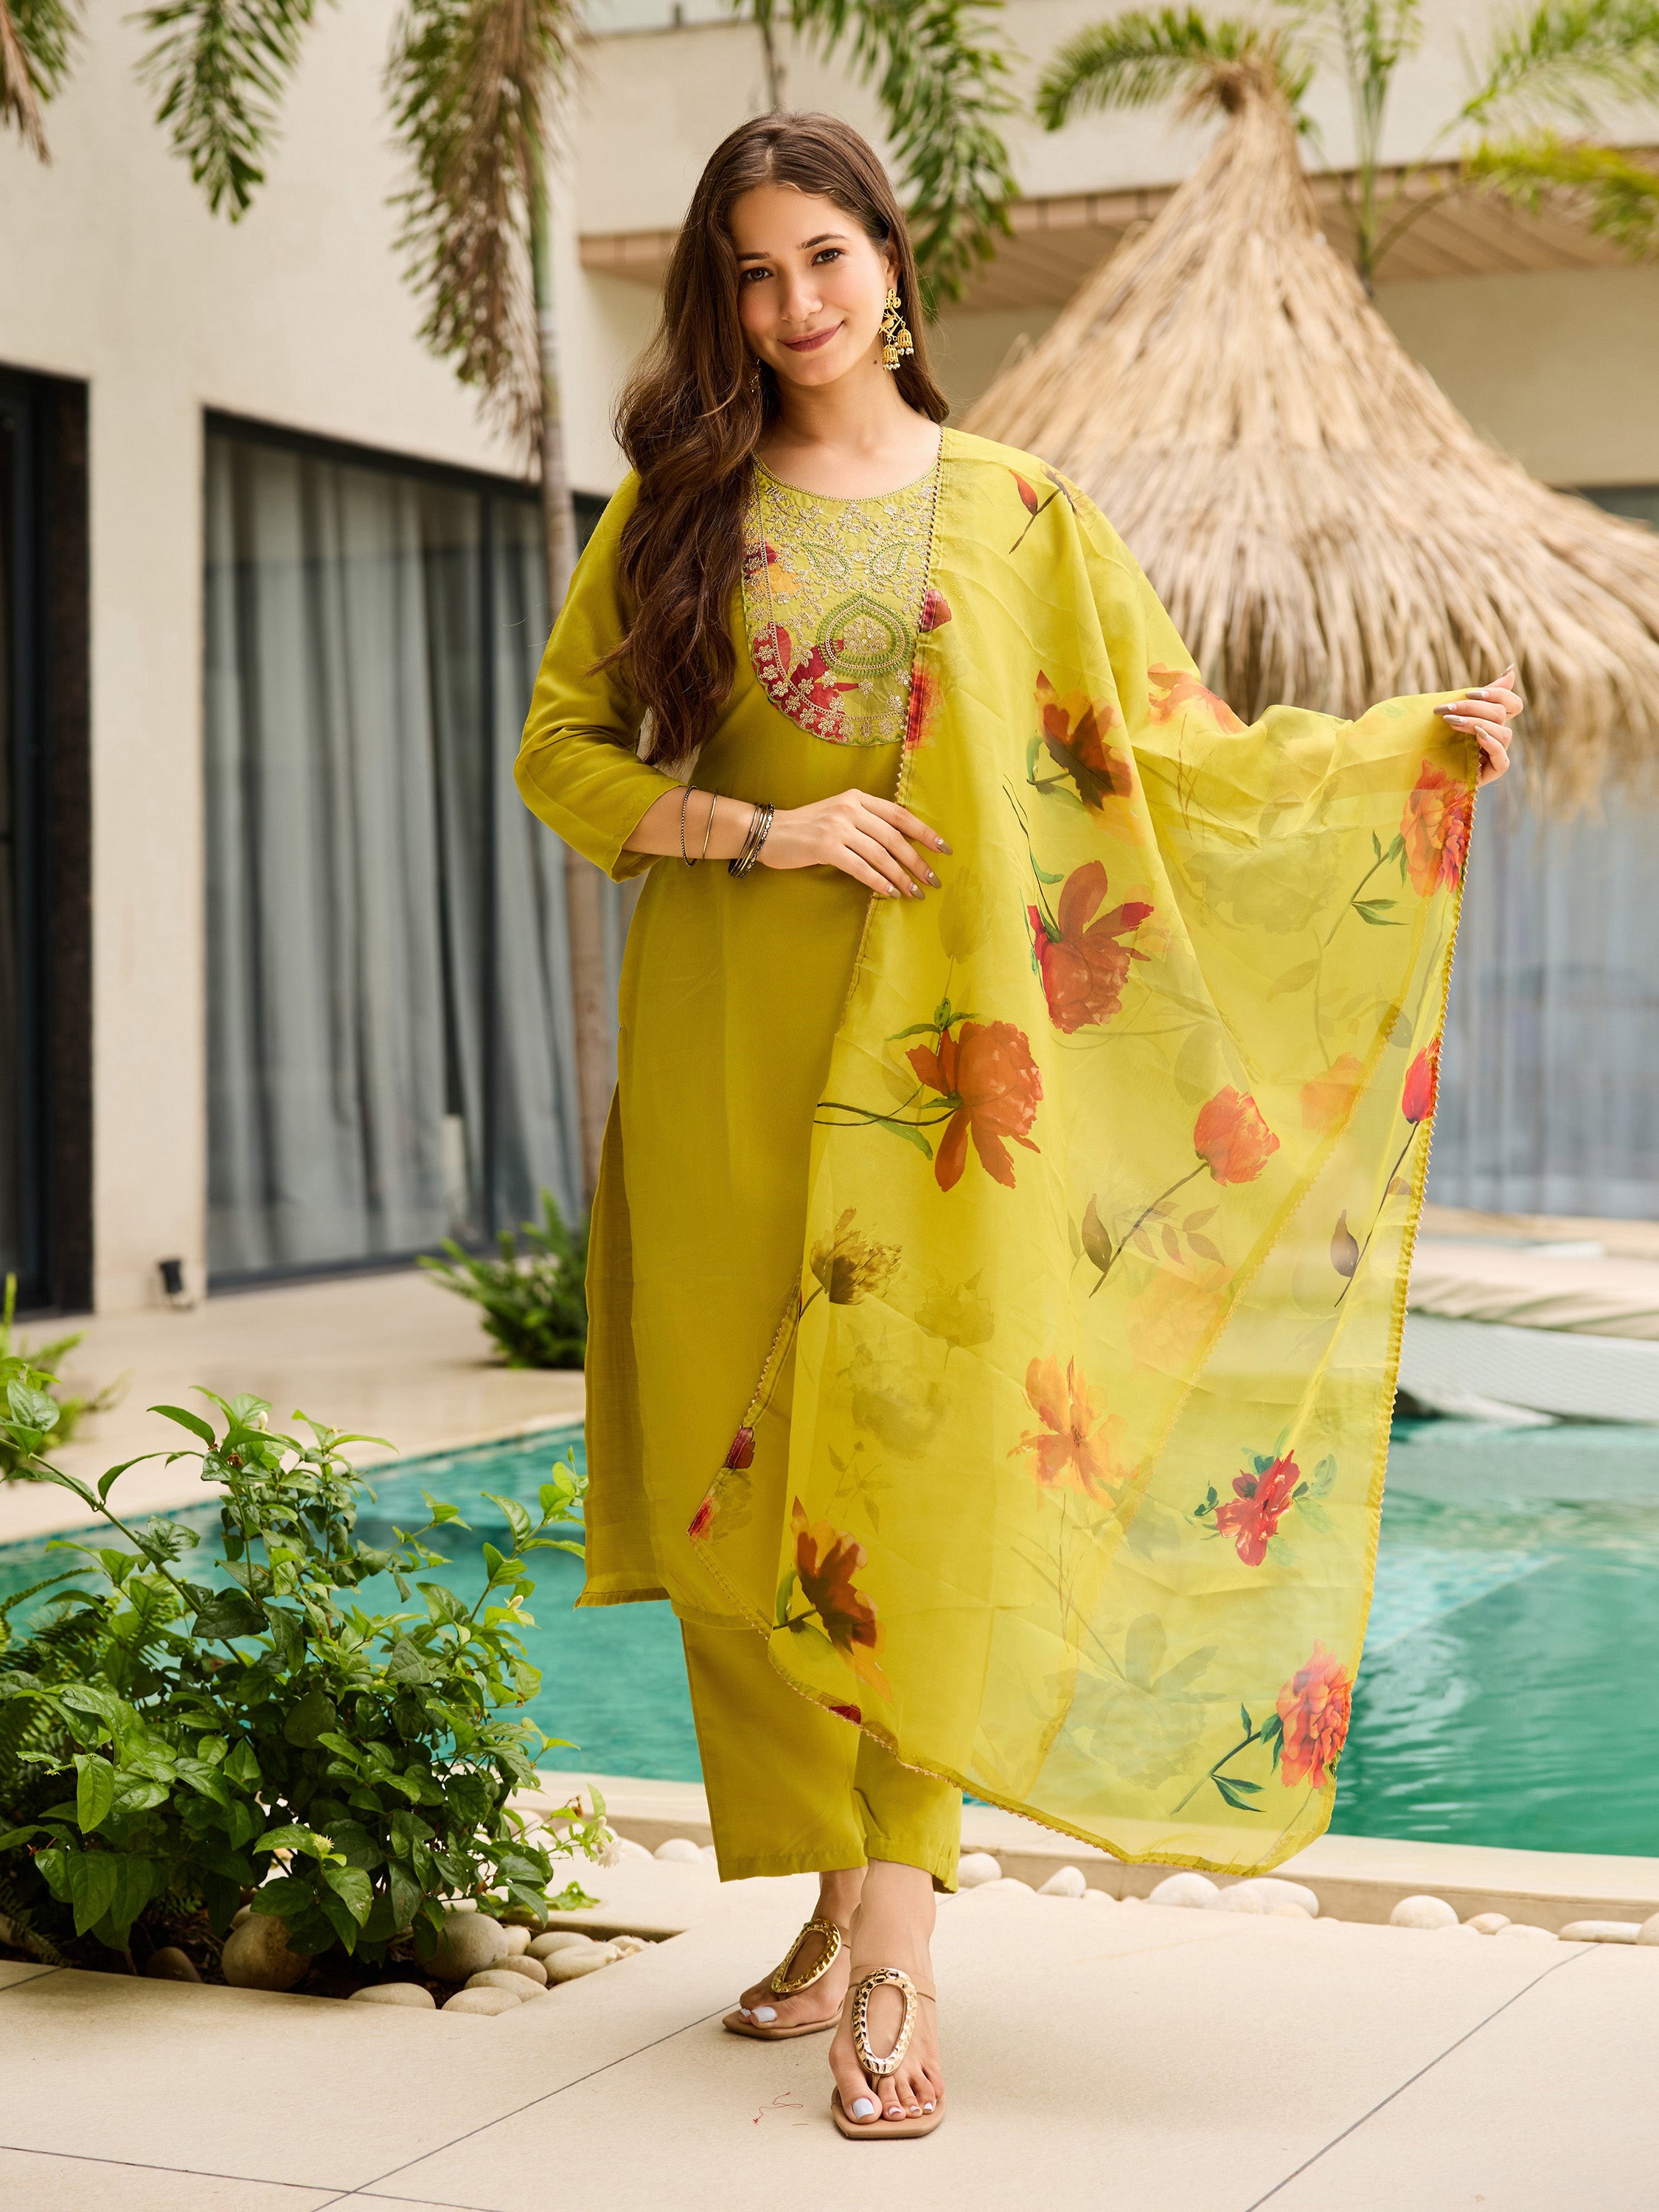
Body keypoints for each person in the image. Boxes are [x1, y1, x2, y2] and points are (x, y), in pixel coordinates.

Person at [515, 110, 1519, 2139]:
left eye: (823, 255)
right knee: (737, 1500)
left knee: (919, 1494)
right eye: (750, 272)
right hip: (723, 1056)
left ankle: (896, 1958)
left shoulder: (1020, 512)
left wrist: (1392, 754)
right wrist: (759, 824)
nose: (792, 303)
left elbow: (1170, 755)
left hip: (948, 1091)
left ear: (891, 258)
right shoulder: (680, 505)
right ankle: (826, 1886)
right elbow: (563, 755)